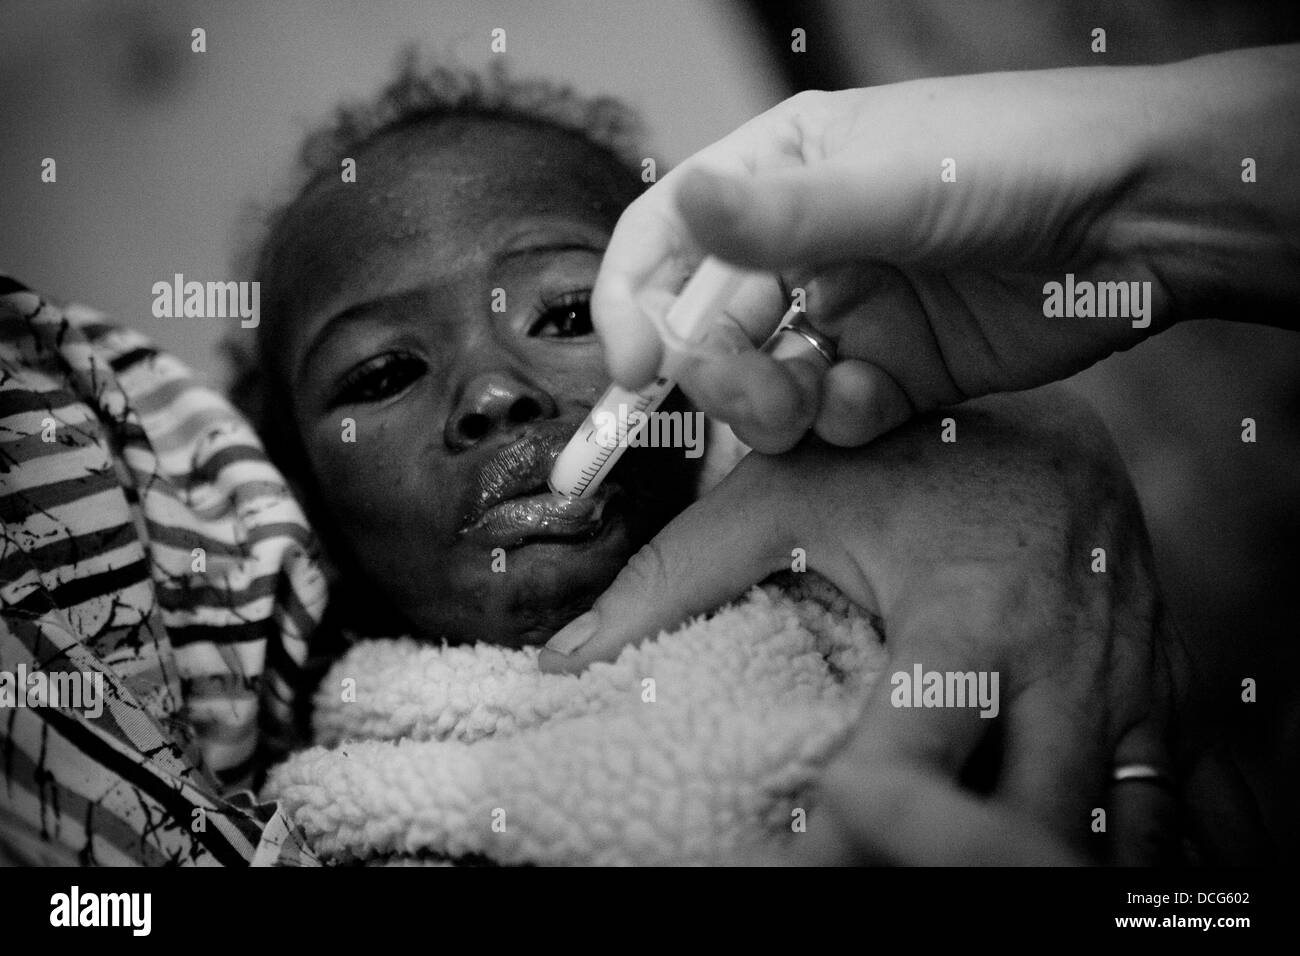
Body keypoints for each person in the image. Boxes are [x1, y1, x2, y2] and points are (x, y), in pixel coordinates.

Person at [538, 43, 1296, 863]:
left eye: (568, 316)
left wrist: (1007, 431)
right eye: (385, 373)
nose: (491, 396)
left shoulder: (871, 508)